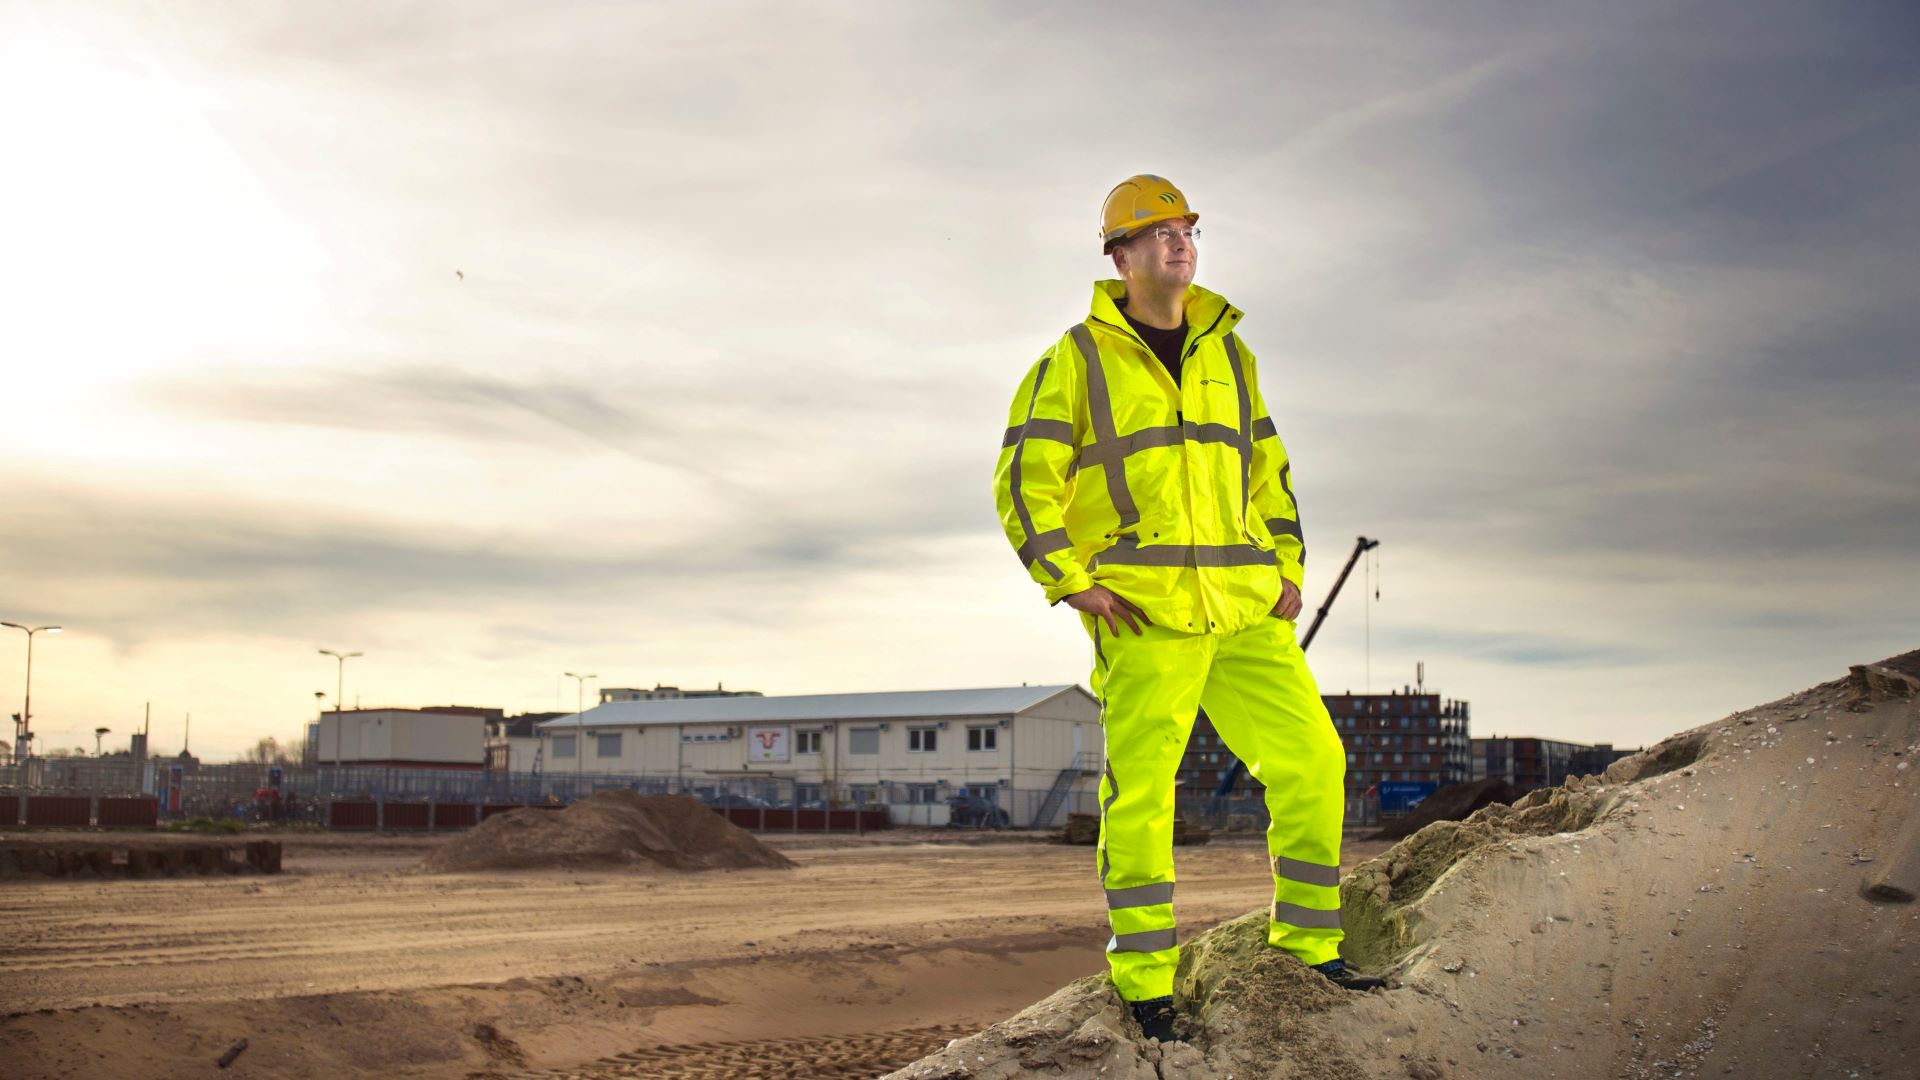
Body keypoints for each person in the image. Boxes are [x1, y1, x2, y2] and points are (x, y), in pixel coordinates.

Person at [991, 175, 1384, 1044]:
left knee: (1315, 762)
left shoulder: (1229, 355)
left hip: (1246, 614)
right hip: (1148, 616)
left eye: (1188, 230)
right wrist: (1071, 580)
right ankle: (1145, 983)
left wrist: (1287, 569)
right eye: (1157, 232)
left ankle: (1311, 944)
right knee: (1144, 799)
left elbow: (1267, 472)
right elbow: (1023, 480)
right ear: (1120, 257)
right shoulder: (1078, 359)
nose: (1179, 243)